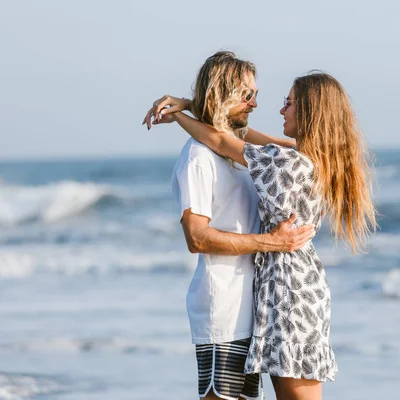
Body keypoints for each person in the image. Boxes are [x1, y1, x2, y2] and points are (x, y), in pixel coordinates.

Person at [147, 71, 377, 400]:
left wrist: (180, 114)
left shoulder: (288, 165)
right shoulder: (308, 159)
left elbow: (222, 141)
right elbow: (243, 135)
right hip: (295, 285)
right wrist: (195, 105)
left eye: (289, 103)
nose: (281, 110)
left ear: (310, 112)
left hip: (289, 290)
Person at [142, 51, 315, 400]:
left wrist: (188, 105)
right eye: (246, 95)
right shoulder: (198, 157)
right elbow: (197, 237)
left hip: (254, 309)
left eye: (256, 95)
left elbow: (297, 147)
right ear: (220, 96)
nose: (254, 104)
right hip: (223, 309)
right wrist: (274, 243)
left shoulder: (241, 156)